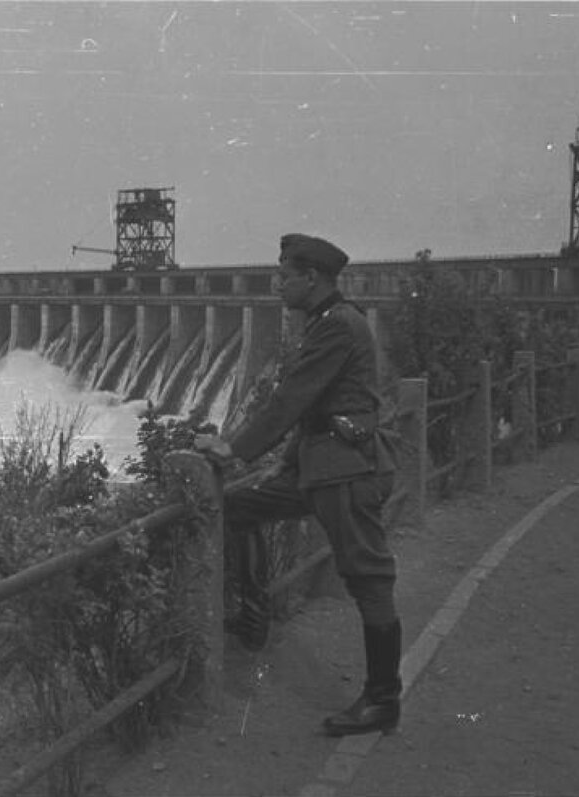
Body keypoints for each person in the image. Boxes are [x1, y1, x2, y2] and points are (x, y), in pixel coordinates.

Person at [186, 233, 401, 737]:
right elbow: (310, 409)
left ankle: (382, 699)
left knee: (368, 576)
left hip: (346, 471)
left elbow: (291, 401)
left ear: (313, 278)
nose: (276, 284)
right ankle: (255, 614)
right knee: (238, 508)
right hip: (316, 468)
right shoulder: (324, 323)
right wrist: (283, 463)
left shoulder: (338, 328)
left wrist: (232, 449)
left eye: (284, 276)